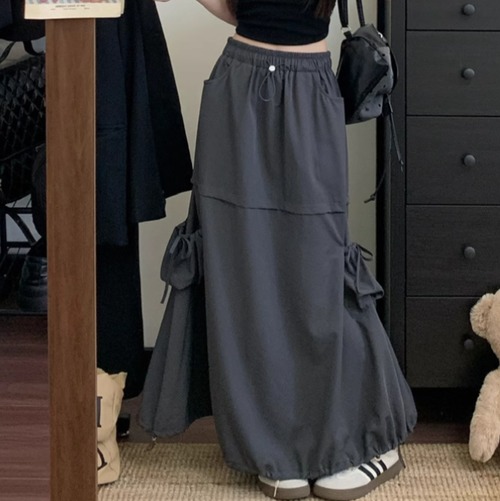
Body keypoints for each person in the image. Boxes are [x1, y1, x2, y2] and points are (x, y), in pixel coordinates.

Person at [155, 1, 417, 499]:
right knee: (242, 270)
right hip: (241, 83)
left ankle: (363, 440)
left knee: (318, 273)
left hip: (299, 87)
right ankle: (271, 444)